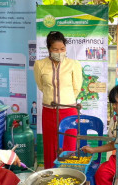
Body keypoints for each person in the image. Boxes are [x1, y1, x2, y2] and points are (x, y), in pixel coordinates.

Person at [34, 31, 83, 169]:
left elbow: (76, 87)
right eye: (55, 49)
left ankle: (69, 175)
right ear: (49, 49)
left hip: (69, 111)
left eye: (62, 49)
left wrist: (65, 101)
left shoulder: (73, 64)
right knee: (51, 145)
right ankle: (51, 174)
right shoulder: (40, 65)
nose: (59, 52)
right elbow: (41, 86)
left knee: (69, 143)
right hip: (49, 112)